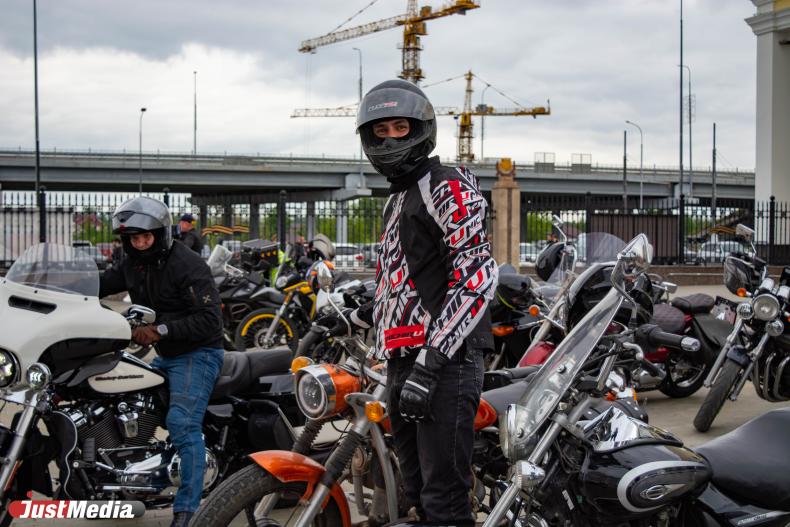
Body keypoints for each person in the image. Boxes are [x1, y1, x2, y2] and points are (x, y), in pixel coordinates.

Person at [325, 79, 497, 524]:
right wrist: (355, 317)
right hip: (405, 361)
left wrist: (430, 364)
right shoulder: (399, 198)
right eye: (379, 131)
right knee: (416, 490)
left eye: (399, 128)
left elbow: (477, 279)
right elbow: (404, 283)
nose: (389, 140)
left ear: (422, 129)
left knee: (444, 499)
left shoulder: (448, 186)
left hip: (447, 362)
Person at [99, 197, 224, 527]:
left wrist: (160, 330)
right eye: (133, 239)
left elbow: (210, 319)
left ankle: (187, 513)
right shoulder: (133, 264)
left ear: (161, 234)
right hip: (167, 355)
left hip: (198, 353)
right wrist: (55, 288)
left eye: (146, 237)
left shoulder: (187, 265)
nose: (140, 244)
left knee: (182, 423)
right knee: (127, 405)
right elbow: (101, 284)